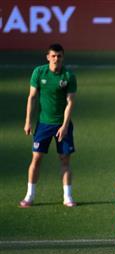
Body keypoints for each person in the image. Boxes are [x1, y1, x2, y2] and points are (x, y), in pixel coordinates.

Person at [20, 43, 78, 208]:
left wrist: (65, 126)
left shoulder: (68, 75)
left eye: (59, 56)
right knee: (36, 158)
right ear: (48, 57)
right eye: (53, 56)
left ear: (62, 57)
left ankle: (67, 196)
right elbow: (32, 97)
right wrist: (27, 121)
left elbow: (70, 102)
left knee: (64, 159)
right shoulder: (39, 72)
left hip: (63, 124)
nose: (56, 59)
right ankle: (29, 195)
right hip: (44, 124)